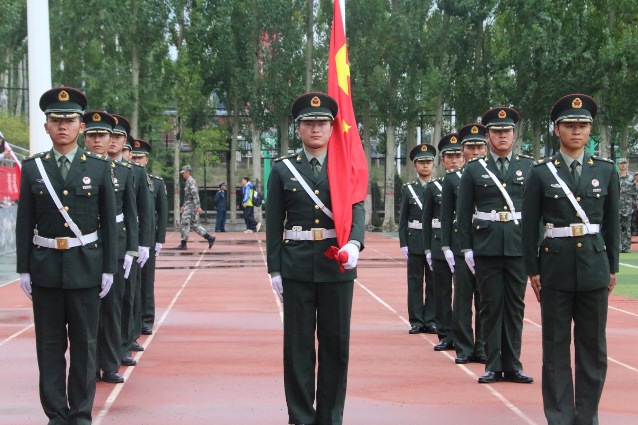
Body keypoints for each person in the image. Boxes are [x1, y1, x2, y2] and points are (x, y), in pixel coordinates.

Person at [16, 86, 117, 424]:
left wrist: (109, 268)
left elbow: (108, 222)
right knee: (49, 346)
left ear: (81, 126)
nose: (62, 126)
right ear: (46, 126)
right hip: (44, 268)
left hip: (86, 267)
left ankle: (80, 414)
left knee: (86, 346)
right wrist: (23, 269)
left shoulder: (101, 169)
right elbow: (24, 222)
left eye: (69, 120)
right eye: (55, 120)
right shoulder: (33, 168)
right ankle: (56, 414)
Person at [266, 92, 364, 425]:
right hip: (296, 266)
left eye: (322, 123)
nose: (316, 128)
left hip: (336, 264)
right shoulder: (283, 169)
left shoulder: (345, 166)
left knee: (336, 346)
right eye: (309, 123)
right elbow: (274, 221)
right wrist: (274, 269)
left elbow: (357, 209)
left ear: (333, 127)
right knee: (298, 348)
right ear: (299, 129)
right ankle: (300, 417)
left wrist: (355, 244)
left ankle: (331, 416)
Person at [522, 94, 620, 425]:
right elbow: (529, 224)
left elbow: (612, 224)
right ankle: (561, 416)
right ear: (557, 130)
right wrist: (532, 269)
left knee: (593, 350)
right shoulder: (540, 173)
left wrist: (613, 268)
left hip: (594, 268)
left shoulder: (605, 171)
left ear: (590, 130)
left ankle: (587, 416)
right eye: (569, 125)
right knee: (555, 348)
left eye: (583, 125)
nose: (576, 131)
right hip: (555, 267)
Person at [456, 106, 534, 384]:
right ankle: (492, 362)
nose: (503, 136)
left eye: (507, 131)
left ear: (514, 134)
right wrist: (466, 249)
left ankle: (513, 363)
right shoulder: (475, 169)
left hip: (517, 245)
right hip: (486, 246)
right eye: (497, 131)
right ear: (488, 135)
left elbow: (535, 212)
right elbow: (463, 213)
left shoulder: (528, 166)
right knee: (489, 306)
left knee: (515, 306)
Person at [83, 110, 139, 384]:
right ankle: (89, 365)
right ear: (84, 137)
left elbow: (130, 212)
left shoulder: (124, 171)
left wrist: (130, 249)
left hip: (114, 247)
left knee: (113, 307)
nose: (96, 141)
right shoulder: (79, 168)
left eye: (101, 136)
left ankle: (110, 362)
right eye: (91, 135)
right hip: (84, 248)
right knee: (87, 313)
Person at [441, 123, 487, 365]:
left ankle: (482, 347)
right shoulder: (453, 179)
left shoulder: (493, 176)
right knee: (462, 300)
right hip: (461, 246)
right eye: (471, 147)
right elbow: (447, 215)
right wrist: (446, 247)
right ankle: (464, 347)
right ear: (463, 150)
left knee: (485, 299)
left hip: (487, 243)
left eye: (480, 146)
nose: (476, 151)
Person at [110, 115, 152, 367]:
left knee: (126, 296)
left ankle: (124, 344)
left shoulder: (135, 173)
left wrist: (143, 244)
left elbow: (142, 212)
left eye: (118, 138)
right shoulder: (92, 166)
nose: (112, 142)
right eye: (109, 136)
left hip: (127, 241)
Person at [423, 133, 463, 351]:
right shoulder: (434, 187)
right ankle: (445, 334)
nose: (454, 160)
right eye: (449, 156)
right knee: (442, 292)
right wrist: (428, 248)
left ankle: (463, 334)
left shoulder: (471, 182)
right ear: (442, 161)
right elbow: (427, 220)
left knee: (464, 295)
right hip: (440, 245)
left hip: (463, 244)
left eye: (458, 155)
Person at [398, 144, 437, 335]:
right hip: (414, 241)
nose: (425, 166)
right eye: (421, 162)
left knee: (433, 282)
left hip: (433, 241)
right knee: (414, 281)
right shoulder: (409, 190)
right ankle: (416, 320)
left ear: (433, 164)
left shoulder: (439, 187)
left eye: (428, 162)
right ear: (415, 166)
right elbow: (403, 218)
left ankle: (431, 319)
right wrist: (403, 242)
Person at [131, 138, 168, 336]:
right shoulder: (124, 177)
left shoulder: (155, 183)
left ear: (146, 159)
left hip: (147, 237)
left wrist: (159, 238)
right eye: (134, 156)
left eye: (140, 157)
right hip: (129, 235)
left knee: (146, 280)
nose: (136, 160)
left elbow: (162, 213)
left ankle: (146, 318)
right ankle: (134, 320)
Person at [176, 165, 215, 249]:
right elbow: (188, 197)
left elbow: (195, 195)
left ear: (188, 172)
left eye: (184, 172)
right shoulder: (188, 182)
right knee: (194, 225)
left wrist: (198, 206)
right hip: (189, 205)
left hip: (191, 207)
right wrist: (184, 206)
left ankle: (183, 243)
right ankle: (209, 237)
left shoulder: (191, 181)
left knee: (184, 223)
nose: (183, 174)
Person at [618, 158, 637, 252]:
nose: (623, 165)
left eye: (624, 163)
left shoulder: (631, 177)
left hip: (628, 206)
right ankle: (618, 246)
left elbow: (635, 192)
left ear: (627, 165)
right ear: (618, 165)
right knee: (617, 227)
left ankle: (626, 247)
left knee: (627, 227)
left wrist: (636, 203)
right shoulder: (615, 177)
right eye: (621, 164)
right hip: (617, 205)